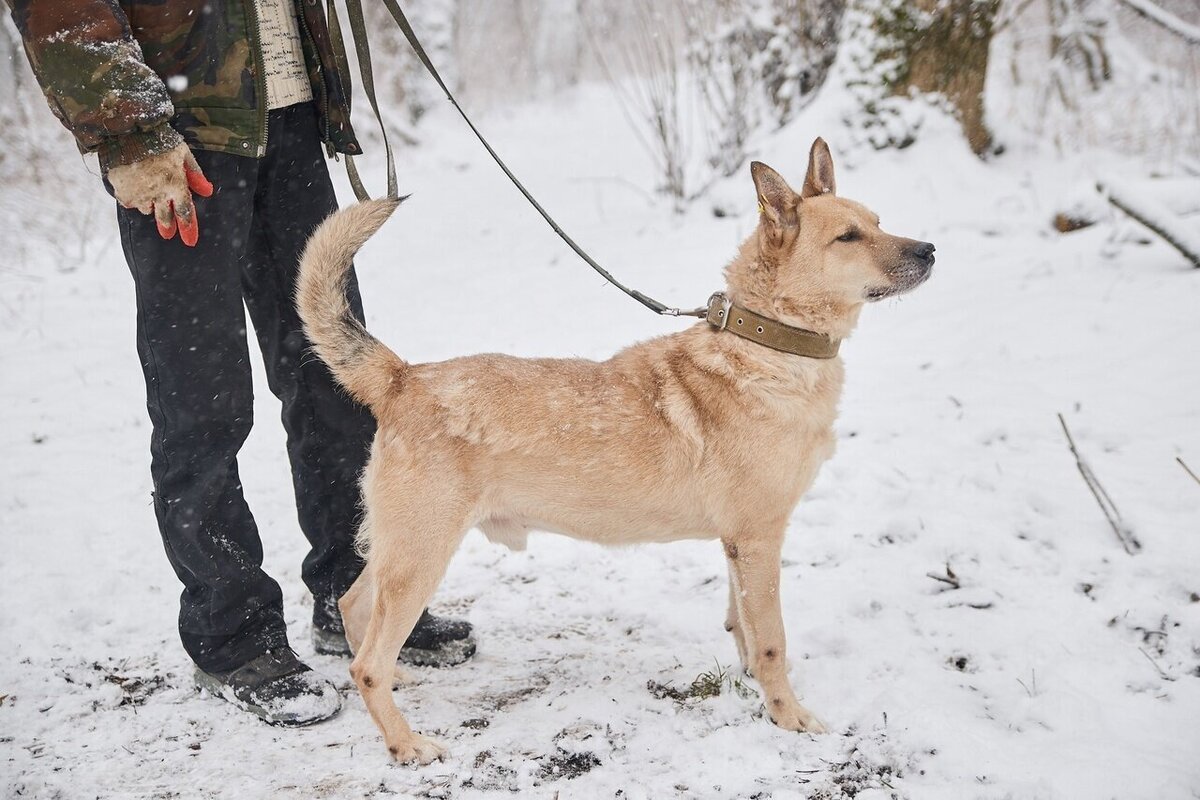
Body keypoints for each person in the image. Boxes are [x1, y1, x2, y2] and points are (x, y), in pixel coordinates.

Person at [7, 0, 475, 726]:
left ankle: (355, 595)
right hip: (178, 137)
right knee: (204, 397)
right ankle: (233, 635)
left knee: (336, 376)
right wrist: (130, 131)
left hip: (285, 117)